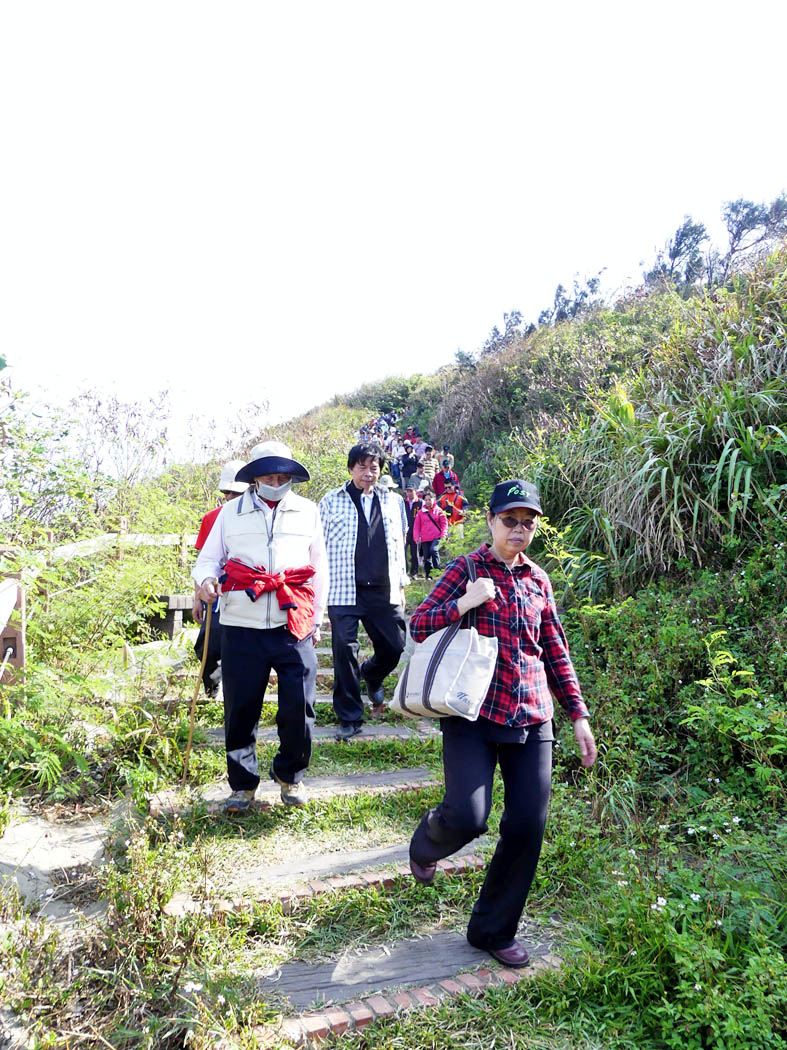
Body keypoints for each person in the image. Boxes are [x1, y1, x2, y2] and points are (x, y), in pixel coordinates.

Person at [407, 479, 597, 968]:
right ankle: (428, 842)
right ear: (490, 521)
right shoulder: (466, 568)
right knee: (469, 816)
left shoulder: (538, 580)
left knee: (527, 826)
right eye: (509, 520)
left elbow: (554, 648)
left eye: (527, 522)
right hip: (473, 713)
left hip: (533, 715)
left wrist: (578, 714)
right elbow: (419, 623)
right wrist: (465, 602)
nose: (518, 529)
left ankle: (492, 930)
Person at [193, 441, 328, 811]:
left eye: (282, 475)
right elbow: (207, 561)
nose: (276, 480)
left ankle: (291, 777)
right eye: (268, 474)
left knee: (299, 706)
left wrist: (317, 617)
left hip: (293, 621)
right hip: (241, 621)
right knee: (240, 707)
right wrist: (206, 582)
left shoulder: (308, 512)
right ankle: (242, 786)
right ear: (254, 478)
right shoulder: (229, 514)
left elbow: (320, 567)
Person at [319, 443, 409, 740]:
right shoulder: (331, 500)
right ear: (350, 468)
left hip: (383, 589)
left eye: (374, 467)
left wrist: (401, 583)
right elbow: (318, 548)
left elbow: (401, 540)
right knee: (344, 651)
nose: (368, 474)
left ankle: (371, 673)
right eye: (362, 467)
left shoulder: (394, 501)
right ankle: (349, 717)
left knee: (395, 645)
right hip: (344, 588)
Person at [192, 460, 249, 697]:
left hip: (248, 592)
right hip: (217, 592)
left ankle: (240, 691)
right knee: (208, 644)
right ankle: (212, 688)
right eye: (228, 492)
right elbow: (204, 561)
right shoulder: (212, 518)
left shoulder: (260, 517)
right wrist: (197, 598)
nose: (231, 496)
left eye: (237, 492)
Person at [412, 488, 448, 580]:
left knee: (434, 550)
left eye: (429, 499)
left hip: (436, 536)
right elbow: (416, 526)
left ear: (434, 499)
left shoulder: (438, 510)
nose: (428, 502)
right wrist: (416, 537)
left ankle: (438, 571)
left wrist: (444, 534)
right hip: (425, 538)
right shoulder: (420, 512)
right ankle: (429, 575)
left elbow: (444, 523)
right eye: (426, 500)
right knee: (426, 557)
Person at [403, 484, 422, 577]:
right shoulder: (403, 502)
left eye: (411, 491)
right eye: (408, 491)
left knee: (414, 552)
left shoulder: (420, 503)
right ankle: (404, 571)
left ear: (416, 491)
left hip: (416, 531)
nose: (409, 493)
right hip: (405, 531)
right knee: (403, 551)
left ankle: (414, 572)